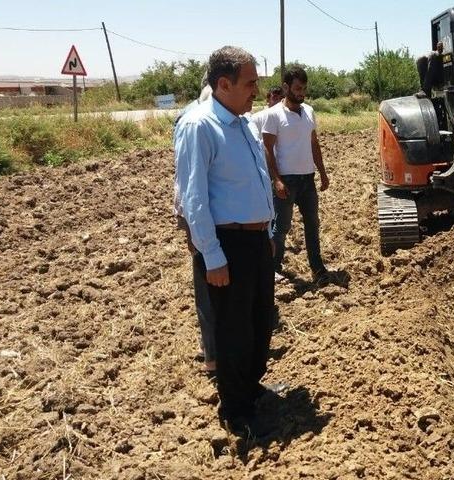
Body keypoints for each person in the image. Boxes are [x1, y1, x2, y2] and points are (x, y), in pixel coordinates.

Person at [174, 45, 277, 439]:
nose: (256, 90)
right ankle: (236, 412)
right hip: (226, 245)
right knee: (233, 330)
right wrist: (212, 256)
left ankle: (250, 389)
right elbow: (194, 197)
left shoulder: (244, 124)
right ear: (223, 83)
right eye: (250, 83)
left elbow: (258, 182)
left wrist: (267, 233)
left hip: (254, 242)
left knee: (258, 322)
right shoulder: (200, 126)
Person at [256, 66, 330, 283]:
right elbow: (267, 148)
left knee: (312, 224)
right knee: (282, 227)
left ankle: (317, 267)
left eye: (304, 88)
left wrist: (322, 173)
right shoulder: (273, 115)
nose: (301, 92)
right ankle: (274, 268)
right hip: (286, 181)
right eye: (298, 88)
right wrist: (276, 179)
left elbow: (314, 144)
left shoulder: (309, 111)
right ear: (287, 87)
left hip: (307, 178)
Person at [174, 74, 216, 375]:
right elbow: (191, 186)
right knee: (208, 280)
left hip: (201, 210)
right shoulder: (196, 120)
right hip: (201, 212)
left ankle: (215, 351)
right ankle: (213, 355)